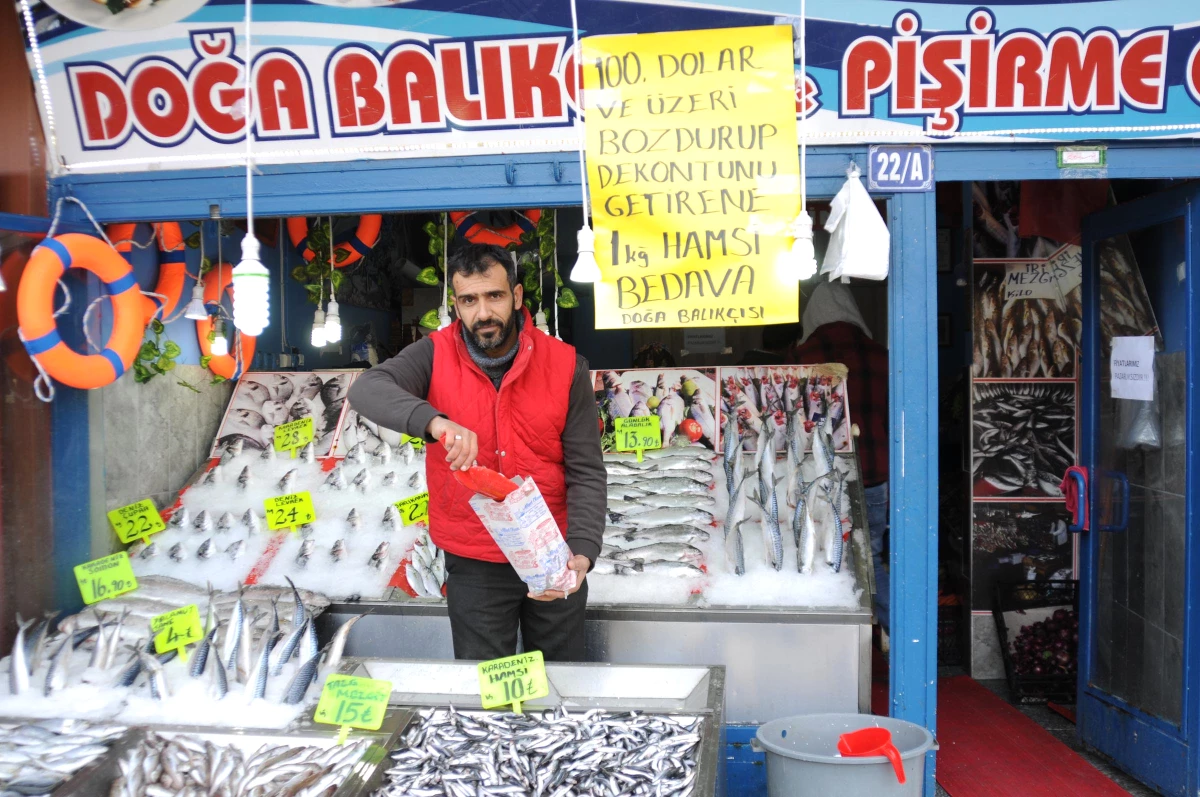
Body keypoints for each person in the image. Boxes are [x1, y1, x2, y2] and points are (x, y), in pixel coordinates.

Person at [348, 243, 606, 661]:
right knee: (486, 687)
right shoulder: (434, 353)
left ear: (517, 297)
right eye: (469, 300)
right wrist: (432, 420)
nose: (483, 313)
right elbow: (367, 389)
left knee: (562, 677)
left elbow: (586, 469)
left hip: (552, 551)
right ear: (455, 304)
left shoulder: (565, 365)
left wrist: (583, 549)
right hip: (473, 558)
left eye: (495, 296)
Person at [789, 281, 890, 642]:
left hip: (824, 475)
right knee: (871, 557)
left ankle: (842, 642)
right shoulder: (882, 356)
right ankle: (892, 633)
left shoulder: (803, 359)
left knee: (826, 554)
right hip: (876, 473)